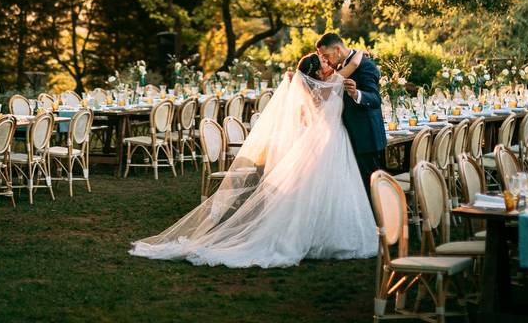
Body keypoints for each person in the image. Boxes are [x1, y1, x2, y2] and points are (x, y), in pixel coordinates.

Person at [128, 53, 377, 268]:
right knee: (328, 192)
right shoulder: (330, 84)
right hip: (329, 143)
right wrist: (359, 54)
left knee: (319, 193)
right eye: (323, 61)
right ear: (315, 73)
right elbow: (353, 64)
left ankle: (317, 237)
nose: (328, 63)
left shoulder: (319, 87)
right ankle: (327, 238)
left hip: (325, 142)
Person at [315, 32, 386, 195]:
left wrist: (356, 94)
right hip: (347, 139)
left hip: (366, 139)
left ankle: (378, 220)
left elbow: (375, 99)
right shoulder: (341, 67)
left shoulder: (366, 65)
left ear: (338, 50)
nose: (325, 60)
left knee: (372, 190)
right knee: (359, 190)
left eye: (326, 56)